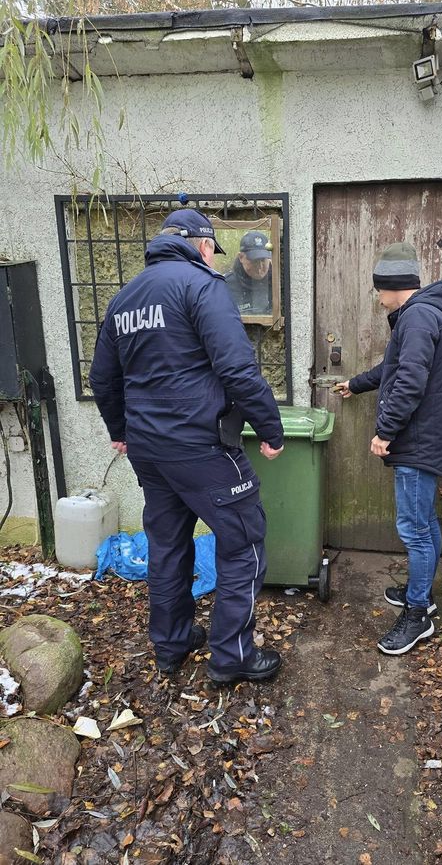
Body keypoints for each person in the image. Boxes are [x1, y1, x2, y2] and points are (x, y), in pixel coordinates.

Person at [89, 208, 285, 685]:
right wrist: (270, 429)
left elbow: (101, 377)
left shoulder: (124, 300)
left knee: (169, 544)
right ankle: (233, 656)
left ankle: (173, 642)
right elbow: (237, 370)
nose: (212, 258)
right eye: (211, 250)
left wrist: (121, 429)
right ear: (202, 245)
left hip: (150, 452)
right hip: (201, 446)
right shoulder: (202, 286)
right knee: (243, 541)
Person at [337, 242, 442, 656]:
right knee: (425, 521)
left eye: (379, 289)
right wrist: (356, 383)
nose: (378, 296)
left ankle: (418, 611)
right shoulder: (419, 316)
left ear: (393, 285)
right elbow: (394, 369)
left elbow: (410, 381)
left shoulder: (419, 317)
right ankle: (420, 589)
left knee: (415, 529)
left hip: (415, 442)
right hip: (422, 440)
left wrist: (385, 432)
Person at [225, 230, 272, 315]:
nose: (260, 268)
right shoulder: (225, 285)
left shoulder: (278, 283)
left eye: (263, 260)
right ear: (241, 257)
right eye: (255, 261)